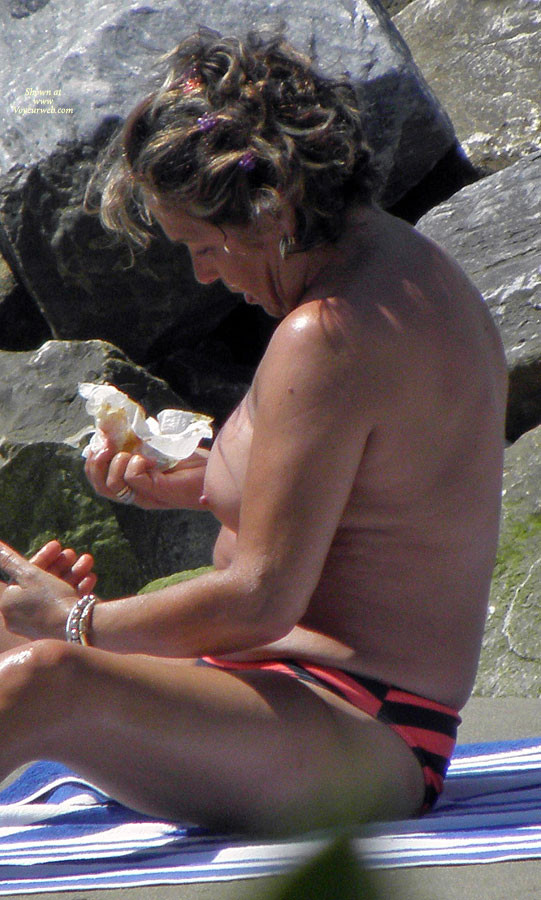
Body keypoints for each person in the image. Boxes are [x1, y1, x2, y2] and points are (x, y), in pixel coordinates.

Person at [0, 28, 507, 834]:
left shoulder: (328, 333)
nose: (203, 273)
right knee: (6, 630)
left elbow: (260, 601)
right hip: (284, 696)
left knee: (42, 678)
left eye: (203, 246)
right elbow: (366, 493)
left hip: (359, 720)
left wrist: (75, 621)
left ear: (269, 212)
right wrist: (200, 478)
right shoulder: (399, 270)